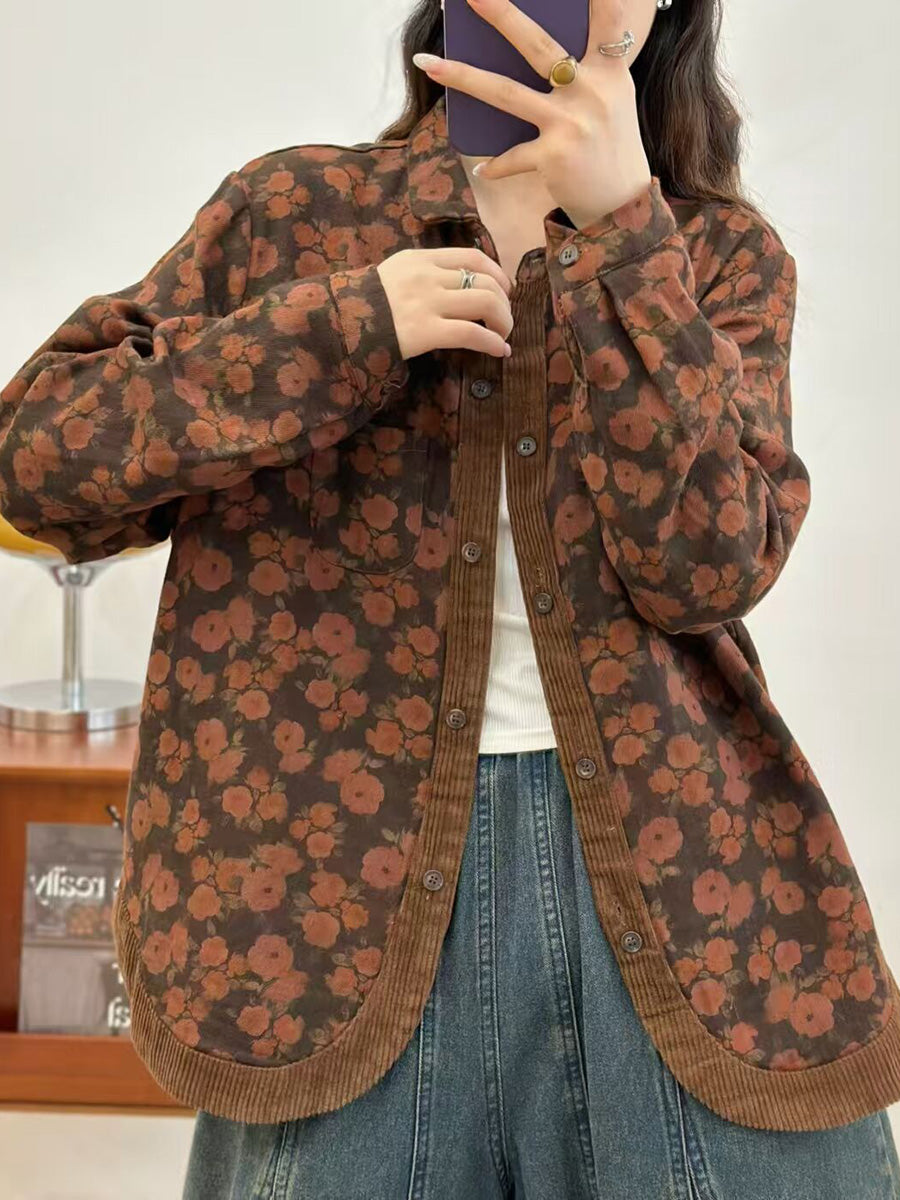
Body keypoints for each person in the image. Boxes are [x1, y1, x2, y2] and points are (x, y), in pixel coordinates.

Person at [1, 0, 899, 1196]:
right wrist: (348, 326)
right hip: (321, 896)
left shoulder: (714, 255)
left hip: (677, 883)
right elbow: (38, 465)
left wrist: (630, 238)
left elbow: (712, 564)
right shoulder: (292, 215)